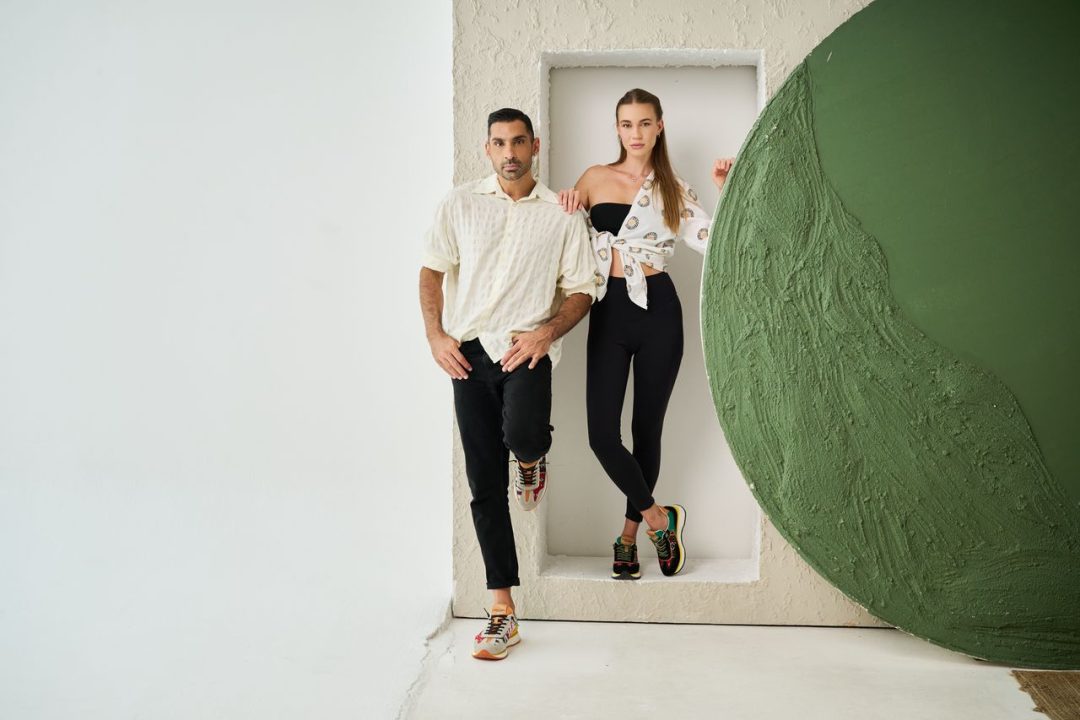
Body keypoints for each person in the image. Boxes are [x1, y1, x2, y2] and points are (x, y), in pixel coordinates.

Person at [419, 108, 597, 660]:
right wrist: (436, 336)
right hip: (468, 354)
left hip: (526, 347)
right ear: (487, 149)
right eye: (499, 143)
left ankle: (531, 459)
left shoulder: (562, 214)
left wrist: (547, 332)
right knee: (484, 482)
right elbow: (431, 270)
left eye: (518, 142)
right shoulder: (459, 204)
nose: (509, 152)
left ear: (534, 146)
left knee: (523, 434)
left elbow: (583, 289)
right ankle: (502, 609)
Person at [558, 88, 733, 580]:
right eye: (626, 124)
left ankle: (628, 537)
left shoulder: (673, 188)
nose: (635, 133)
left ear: (659, 126)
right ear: (617, 129)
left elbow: (717, 242)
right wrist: (566, 205)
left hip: (659, 313)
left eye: (643, 123)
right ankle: (661, 519)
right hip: (609, 310)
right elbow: (562, 237)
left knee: (646, 431)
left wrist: (725, 191)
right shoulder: (594, 178)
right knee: (601, 435)